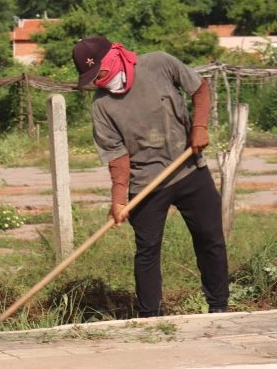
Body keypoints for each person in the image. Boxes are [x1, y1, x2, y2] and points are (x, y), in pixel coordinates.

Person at [72, 35, 229, 318]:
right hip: (145, 183)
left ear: (114, 56)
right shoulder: (101, 106)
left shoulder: (159, 63)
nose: (99, 82)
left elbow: (200, 88)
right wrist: (119, 199)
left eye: (100, 74)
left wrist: (200, 127)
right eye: (93, 79)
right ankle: (150, 317)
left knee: (210, 238)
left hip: (188, 168)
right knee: (147, 250)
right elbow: (117, 156)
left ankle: (219, 306)